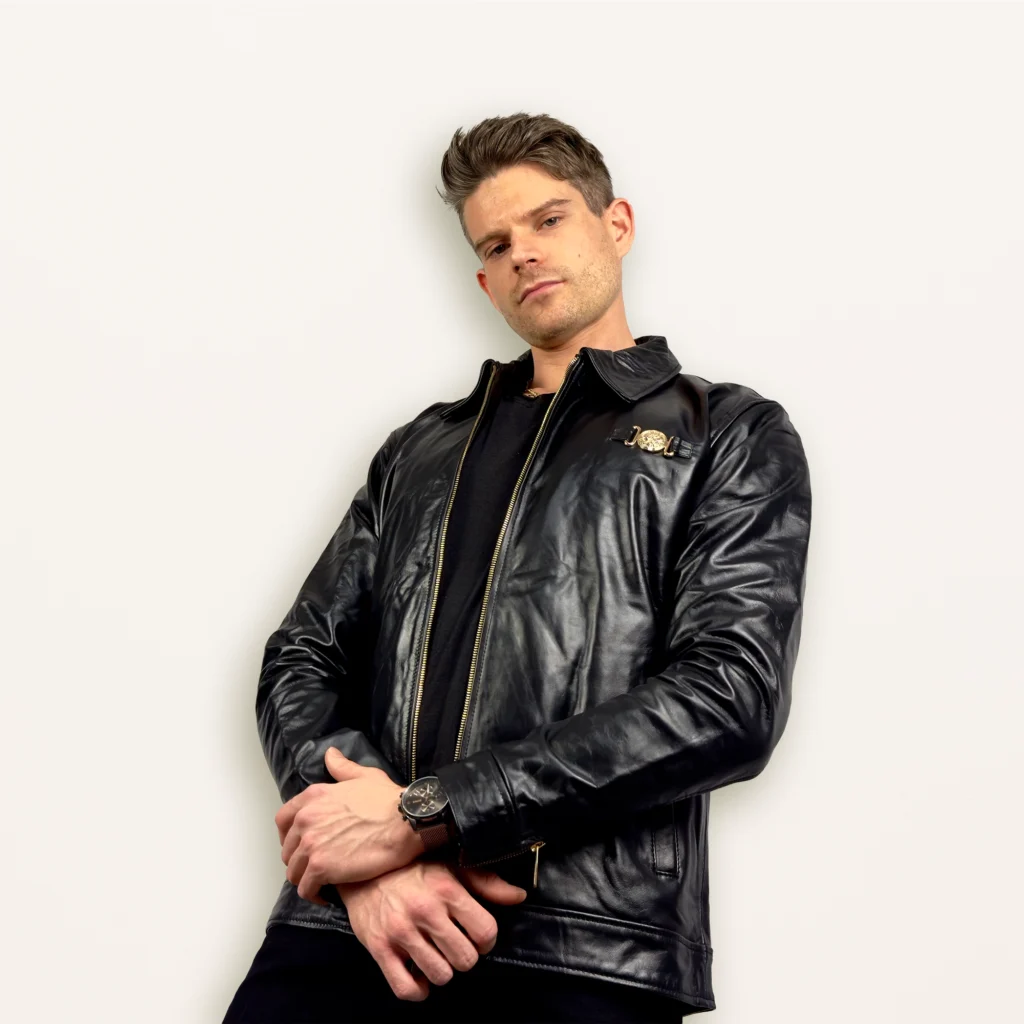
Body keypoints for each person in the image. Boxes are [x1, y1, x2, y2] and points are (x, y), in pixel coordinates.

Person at [223, 111, 812, 1023]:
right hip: (349, 932)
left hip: (580, 947)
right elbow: (300, 659)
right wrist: (369, 868)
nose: (523, 253)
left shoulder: (727, 433)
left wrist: (424, 815)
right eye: (495, 244)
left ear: (616, 223)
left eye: (548, 220)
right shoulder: (419, 450)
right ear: (482, 278)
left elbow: (729, 698)